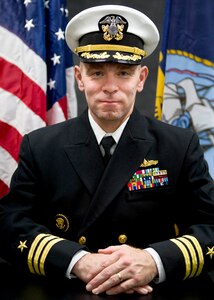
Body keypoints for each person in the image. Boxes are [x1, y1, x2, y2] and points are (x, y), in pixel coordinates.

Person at [0, 4, 214, 296]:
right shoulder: (41, 146)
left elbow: (211, 224)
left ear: (141, 79)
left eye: (124, 73)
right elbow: (11, 224)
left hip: (154, 292)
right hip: (66, 290)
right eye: (97, 72)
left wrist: (153, 260)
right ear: (79, 77)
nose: (110, 87)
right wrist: (76, 260)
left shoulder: (179, 146)